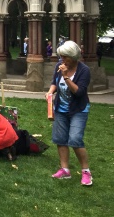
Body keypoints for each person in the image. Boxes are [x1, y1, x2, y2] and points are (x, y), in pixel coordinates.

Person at [45, 40, 93, 186]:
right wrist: (50, 92)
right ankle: (65, 170)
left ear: (74, 57)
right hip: (61, 109)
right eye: (61, 56)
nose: (62, 59)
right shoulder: (59, 66)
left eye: (65, 57)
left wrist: (66, 77)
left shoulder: (84, 71)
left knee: (75, 139)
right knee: (60, 139)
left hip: (78, 109)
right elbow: (54, 81)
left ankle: (86, 172)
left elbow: (78, 92)